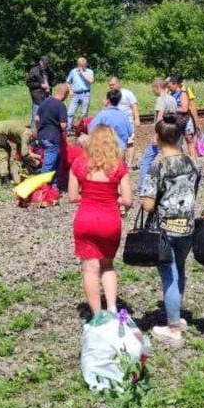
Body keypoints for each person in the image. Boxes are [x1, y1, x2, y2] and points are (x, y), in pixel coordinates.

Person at [141, 114, 201, 344]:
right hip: (187, 225)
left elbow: (147, 205)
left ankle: (173, 327)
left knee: (169, 274)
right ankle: (176, 313)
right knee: (180, 269)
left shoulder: (157, 166)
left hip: (164, 228)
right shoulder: (192, 162)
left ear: (157, 137)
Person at [69, 125, 134, 319]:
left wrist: (89, 197)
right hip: (109, 221)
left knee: (90, 268)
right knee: (107, 265)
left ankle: (97, 315)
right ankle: (112, 307)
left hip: (85, 220)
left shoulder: (79, 164)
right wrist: (113, 199)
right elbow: (128, 200)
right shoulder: (118, 167)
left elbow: (72, 196)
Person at [138, 78, 178, 193]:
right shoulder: (172, 99)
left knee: (147, 159)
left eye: (153, 88)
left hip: (161, 132)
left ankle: (142, 186)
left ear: (157, 87)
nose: (153, 91)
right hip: (171, 131)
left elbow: (159, 117)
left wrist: (156, 134)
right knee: (169, 157)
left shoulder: (161, 99)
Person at [0, 119, 36, 185]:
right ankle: (4, 178)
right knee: (3, 151)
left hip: (3, 129)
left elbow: (20, 151)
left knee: (8, 149)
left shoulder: (26, 134)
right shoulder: (27, 135)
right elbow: (24, 154)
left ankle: (7, 173)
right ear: (33, 136)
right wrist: (33, 165)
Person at [36, 83, 69, 174]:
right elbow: (63, 125)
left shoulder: (44, 103)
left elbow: (37, 119)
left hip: (41, 136)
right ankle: (43, 186)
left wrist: (39, 129)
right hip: (52, 137)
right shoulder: (60, 106)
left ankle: (53, 186)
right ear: (65, 94)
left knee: (56, 162)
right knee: (49, 165)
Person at [108, 76, 140, 165]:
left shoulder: (127, 93)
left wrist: (137, 118)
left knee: (129, 143)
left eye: (113, 85)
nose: (111, 87)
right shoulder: (109, 95)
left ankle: (129, 164)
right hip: (114, 124)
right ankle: (120, 163)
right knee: (116, 144)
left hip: (127, 123)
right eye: (110, 85)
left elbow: (134, 106)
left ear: (119, 83)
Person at [89, 89, 133, 153]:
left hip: (107, 150)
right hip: (121, 150)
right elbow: (130, 132)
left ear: (108, 100)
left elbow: (91, 129)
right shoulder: (123, 115)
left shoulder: (103, 114)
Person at [168, 75, 198, 159]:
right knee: (177, 142)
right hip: (176, 121)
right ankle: (181, 161)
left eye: (169, 85)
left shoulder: (183, 93)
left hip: (185, 120)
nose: (168, 87)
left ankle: (193, 160)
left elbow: (185, 109)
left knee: (189, 140)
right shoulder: (170, 94)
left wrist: (171, 109)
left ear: (175, 84)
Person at [26, 55, 56, 125]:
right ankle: (33, 131)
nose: (45, 65)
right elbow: (29, 83)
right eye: (44, 63)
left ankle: (44, 129)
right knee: (36, 115)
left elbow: (55, 78)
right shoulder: (33, 71)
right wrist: (40, 85)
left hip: (48, 95)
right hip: (37, 95)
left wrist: (50, 85)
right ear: (40, 62)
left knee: (47, 114)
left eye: (46, 64)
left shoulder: (49, 70)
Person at [66, 56, 95, 125]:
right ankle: (68, 129)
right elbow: (68, 81)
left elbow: (91, 81)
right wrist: (70, 90)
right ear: (78, 64)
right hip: (75, 94)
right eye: (80, 65)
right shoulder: (73, 71)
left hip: (85, 94)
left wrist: (82, 73)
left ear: (85, 64)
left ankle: (83, 128)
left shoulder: (89, 71)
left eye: (83, 65)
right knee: (70, 112)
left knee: (84, 113)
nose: (81, 66)